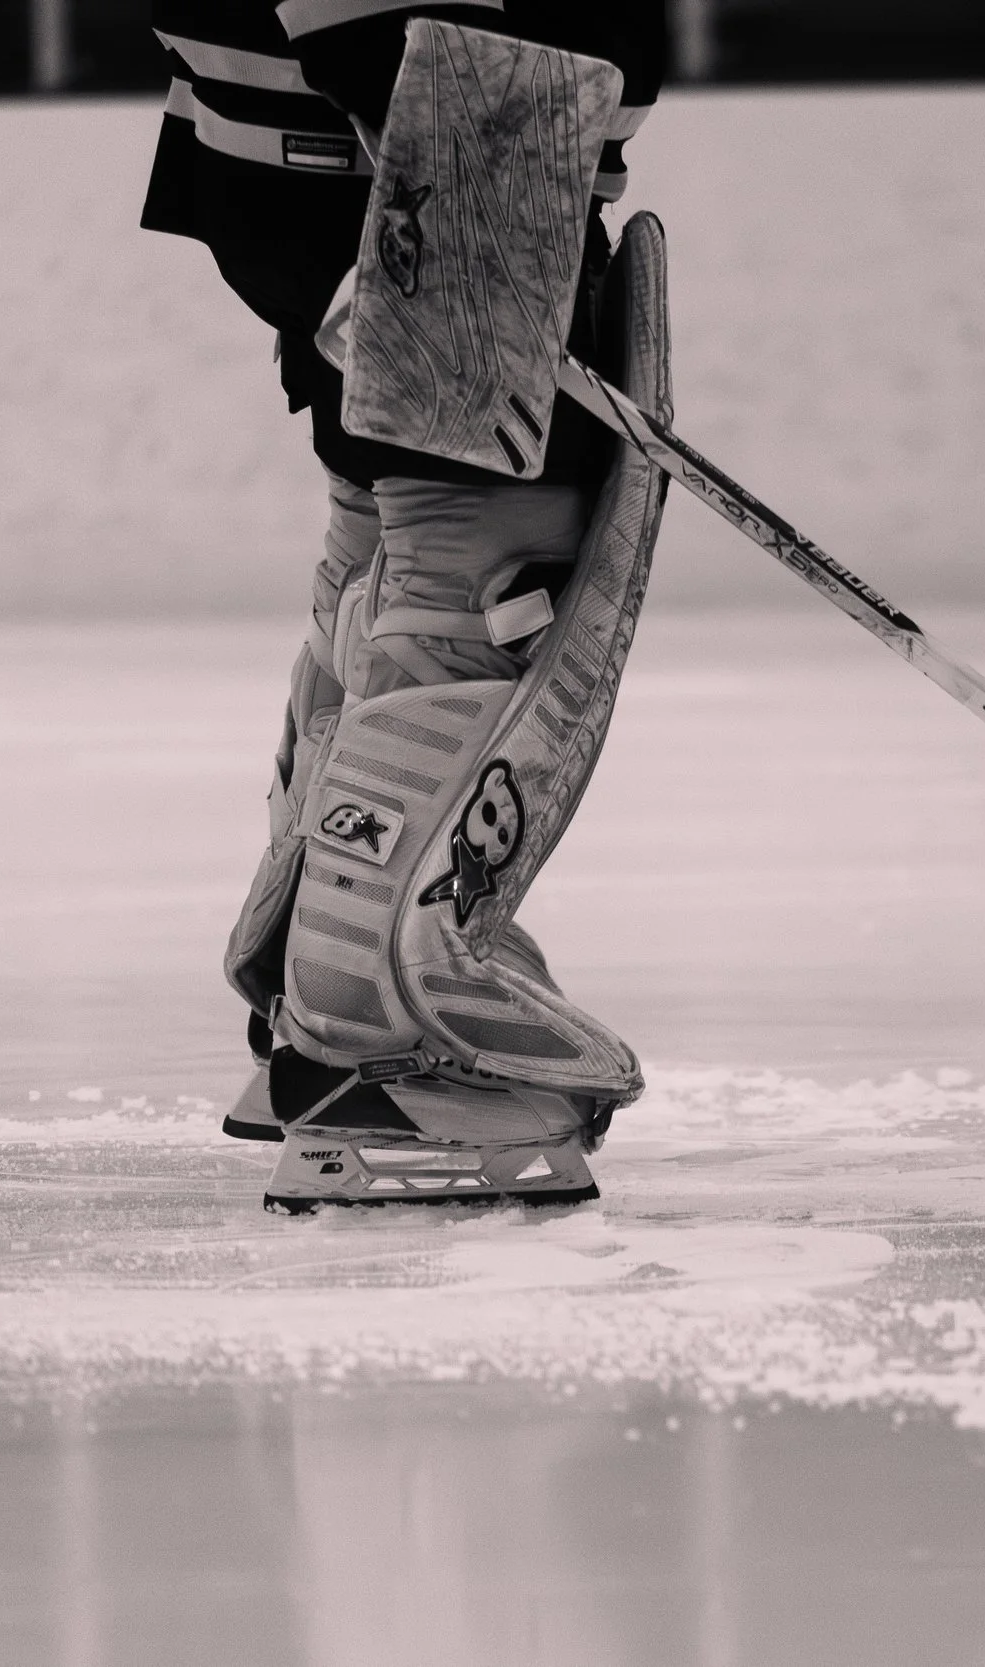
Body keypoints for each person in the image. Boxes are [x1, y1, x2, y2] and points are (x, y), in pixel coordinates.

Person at [140, 0, 671, 1209]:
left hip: (405, 137)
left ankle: (318, 982)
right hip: (449, 125)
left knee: (393, 555)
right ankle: (373, 1035)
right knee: (483, 572)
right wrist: (448, 158)